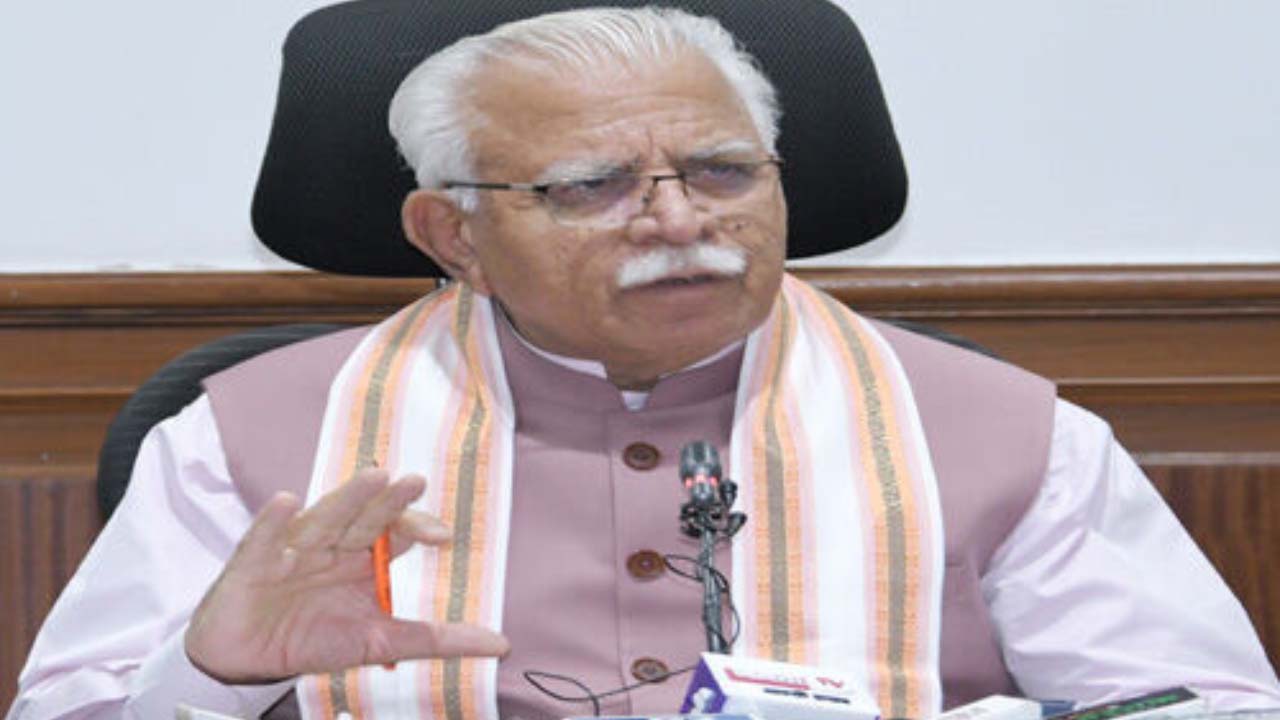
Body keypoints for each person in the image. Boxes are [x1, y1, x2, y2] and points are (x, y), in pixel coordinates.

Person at [9, 7, 1280, 720]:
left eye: (721, 171)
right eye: (589, 186)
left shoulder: (1001, 435)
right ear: (452, 235)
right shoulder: (249, 442)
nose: (677, 222)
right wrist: (212, 677)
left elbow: (1202, 706)